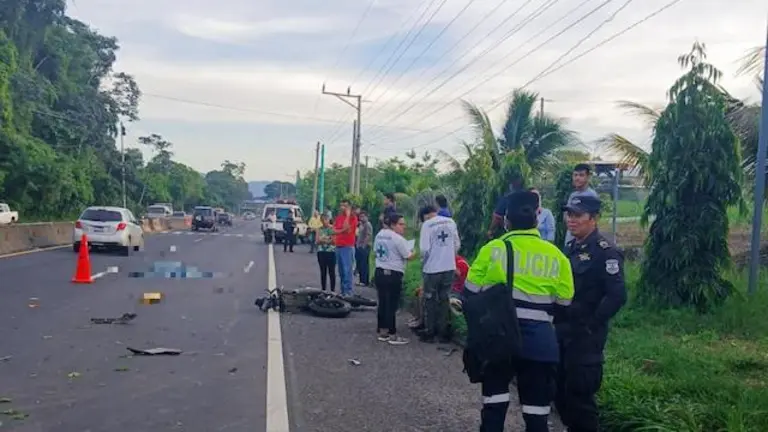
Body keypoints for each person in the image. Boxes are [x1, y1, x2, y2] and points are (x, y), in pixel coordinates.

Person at [463, 191, 574, 432]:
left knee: (494, 405)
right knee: (536, 414)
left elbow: (470, 291)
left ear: (506, 221)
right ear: (537, 217)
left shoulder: (494, 249)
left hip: (499, 339)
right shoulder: (557, 256)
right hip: (541, 343)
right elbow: (565, 303)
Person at [557, 195, 627, 432]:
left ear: (594, 218)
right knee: (561, 393)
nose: (571, 220)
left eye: (578, 215)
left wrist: (592, 323)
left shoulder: (605, 251)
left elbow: (617, 295)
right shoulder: (569, 248)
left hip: (586, 337)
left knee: (580, 397)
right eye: (569, 215)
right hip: (563, 331)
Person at [416, 205, 460, 343]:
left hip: (432, 269)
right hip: (449, 267)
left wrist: (425, 263)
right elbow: (457, 244)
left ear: (426, 216)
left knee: (429, 299)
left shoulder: (427, 225)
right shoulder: (451, 222)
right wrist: (449, 257)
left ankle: (430, 332)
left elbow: (424, 249)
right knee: (444, 298)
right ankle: (443, 332)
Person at [373, 213, 415, 345]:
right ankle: (392, 334)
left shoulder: (380, 234)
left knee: (383, 302)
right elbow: (408, 256)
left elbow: (375, 251)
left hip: (380, 272)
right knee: (392, 304)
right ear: (393, 225)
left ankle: (382, 331)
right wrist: (415, 253)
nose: (404, 227)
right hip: (393, 274)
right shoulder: (398, 239)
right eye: (401, 224)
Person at [409, 254, 468, 331]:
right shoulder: (443, 262)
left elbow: (454, 277)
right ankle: (422, 321)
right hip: (446, 289)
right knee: (422, 293)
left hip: (457, 292)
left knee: (434, 297)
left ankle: (436, 326)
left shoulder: (460, 263)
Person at [564, 163, 599, 247]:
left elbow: (593, 222)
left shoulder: (591, 196)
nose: (577, 178)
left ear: (588, 177)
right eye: (575, 175)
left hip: (585, 243)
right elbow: (565, 216)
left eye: (581, 175)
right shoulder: (573, 195)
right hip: (571, 240)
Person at [333, 199, 358, 298]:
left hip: (347, 247)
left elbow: (347, 230)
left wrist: (347, 216)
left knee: (347, 271)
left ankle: (348, 292)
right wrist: (341, 231)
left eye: (345, 206)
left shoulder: (353, 218)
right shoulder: (339, 217)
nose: (342, 208)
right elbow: (334, 230)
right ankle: (343, 292)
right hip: (338, 246)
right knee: (341, 271)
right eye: (341, 205)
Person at [315, 214, 337, 292]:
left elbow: (334, 241)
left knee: (332, 272)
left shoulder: (332, 228)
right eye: (323, 220)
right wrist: (328, 240)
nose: (325, 221)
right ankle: (323, 290)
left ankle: (332, 290)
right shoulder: (319, 229)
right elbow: (317, 241)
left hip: (331, 252)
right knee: (323, 272)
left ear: (329, 220)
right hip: (321, 252)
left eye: (326, 219)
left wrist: (323, 240)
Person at [355, 211, 373, 287]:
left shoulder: (367, 224)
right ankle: (361, 280)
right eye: (360, 216)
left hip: (365, 246)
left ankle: (364, 281)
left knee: (364, 264)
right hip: (359, 246)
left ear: (366, 216)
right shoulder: (361, 224)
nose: (361, 218)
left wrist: (363, 245)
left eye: (363, 216)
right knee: (359, 263)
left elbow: (368, 235)